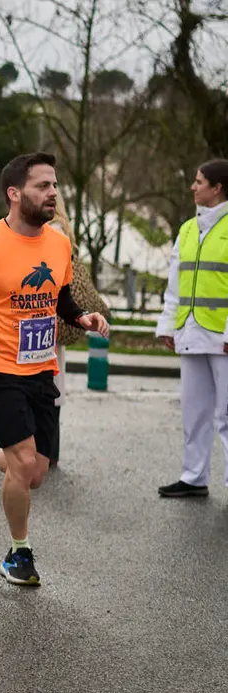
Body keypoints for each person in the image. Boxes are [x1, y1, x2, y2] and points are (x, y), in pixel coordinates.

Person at [0, 152, 109, 587]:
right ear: (14, 193)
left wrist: (81, 317)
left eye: (54, 185)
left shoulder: (58, 243)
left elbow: (59, 297)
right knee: (24, 464)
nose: (52, 193)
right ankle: (18, 552)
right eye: (42, 186)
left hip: (40, 367)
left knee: (36, 474)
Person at [156, 158, 228, 499]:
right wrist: (167, 326)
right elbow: (175, 287)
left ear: (217, 188)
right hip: (192, 331)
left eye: (199, 182)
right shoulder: (186, 229)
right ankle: (194, 477)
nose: (192, 187)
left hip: (223, 335)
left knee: (227, 415)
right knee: (195, 411)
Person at [44, 197, 108, 465]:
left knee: (49, 385)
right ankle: (50, 452)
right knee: (54, 384)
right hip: (57, 322)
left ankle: (46, 453)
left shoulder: (52, 232)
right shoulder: (64, 229)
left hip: (50, 318)